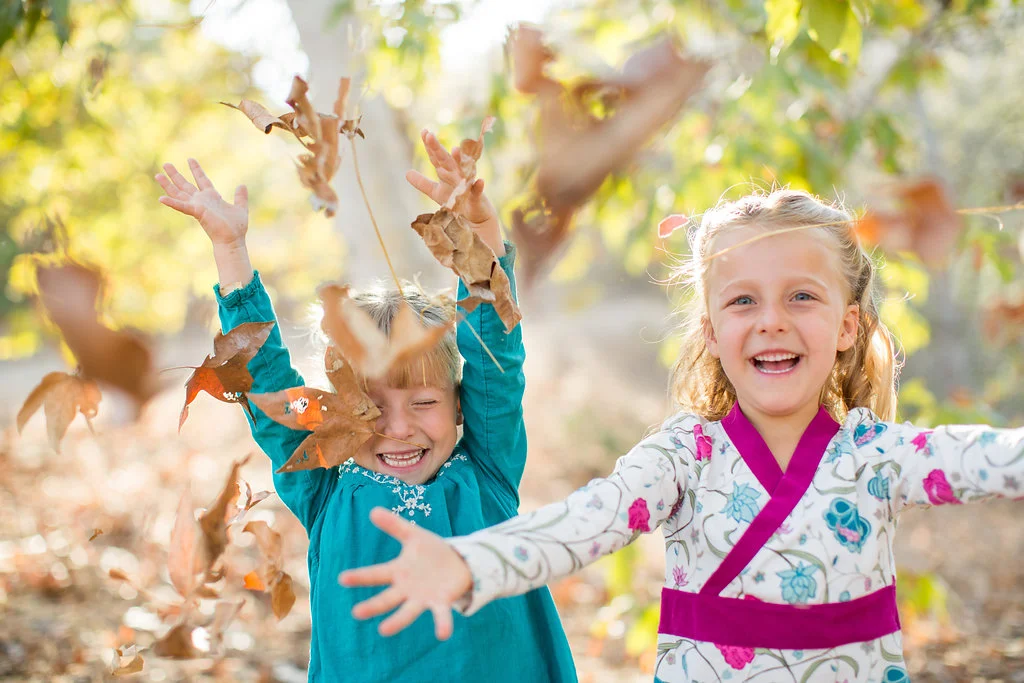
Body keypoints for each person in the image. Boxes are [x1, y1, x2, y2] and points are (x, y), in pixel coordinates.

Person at [340, 188, 1024, 682]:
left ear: (847, 326)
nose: (772, 321)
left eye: (802, 296)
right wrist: (472, 562)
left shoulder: (879, 457)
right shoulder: (684, 457)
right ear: (711, 330)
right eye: (743, 300)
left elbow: (986, 457)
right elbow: (581, 523)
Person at [154, 129, 577, 682]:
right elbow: (269, 388)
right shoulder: (325, 481)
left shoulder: (487, 469)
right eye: (371, 408)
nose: (398, 429)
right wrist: (231, 252)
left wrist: (478, 236)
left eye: (423, 401)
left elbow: (496, 354)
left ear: (459, 406)